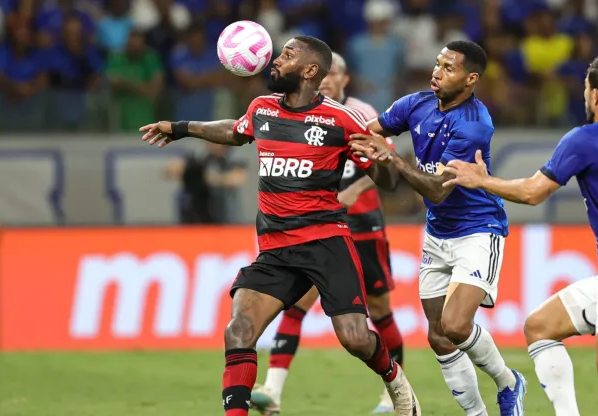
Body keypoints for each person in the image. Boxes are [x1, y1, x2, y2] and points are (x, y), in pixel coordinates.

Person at [139, 36, 421, 416]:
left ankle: (396, 384)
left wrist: (384, 162)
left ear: (309, 71)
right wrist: (182, 127)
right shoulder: (263, 108)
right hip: (275, 249)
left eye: (287, 55)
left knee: (354, 338)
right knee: (238, 331)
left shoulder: (341, 119)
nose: (275, 59)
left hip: (326, 243)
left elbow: (386, 182)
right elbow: (235, 132)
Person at [442, 56, 598, 415]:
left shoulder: (585, 139)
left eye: (585, 89)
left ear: (595, 95)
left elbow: (532, 192)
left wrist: (481, 180)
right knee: (540, 326)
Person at [348, 40, 526, 416]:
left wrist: (392, 159)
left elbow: (437, 190)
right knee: (438, 336)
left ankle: (509, 381)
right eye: (437, 64)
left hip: (478, 230)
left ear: (470, 78)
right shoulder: (416, 103)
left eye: (448, 68)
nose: (437, 72)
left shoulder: (475, 125)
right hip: (437, 234)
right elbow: (369, 130)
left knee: (456, 326)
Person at [250, 52, 404, 415]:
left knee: (379, 310)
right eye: (325, 73)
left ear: (344, 80)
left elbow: (388, 162)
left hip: (363, 225)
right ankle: (272, 389)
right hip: (316, 228)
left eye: (335, 74)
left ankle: (394, 392)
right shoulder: (297, 111)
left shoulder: (362, 113)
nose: (329, 80)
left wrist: (352, 192)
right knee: (297, 303)